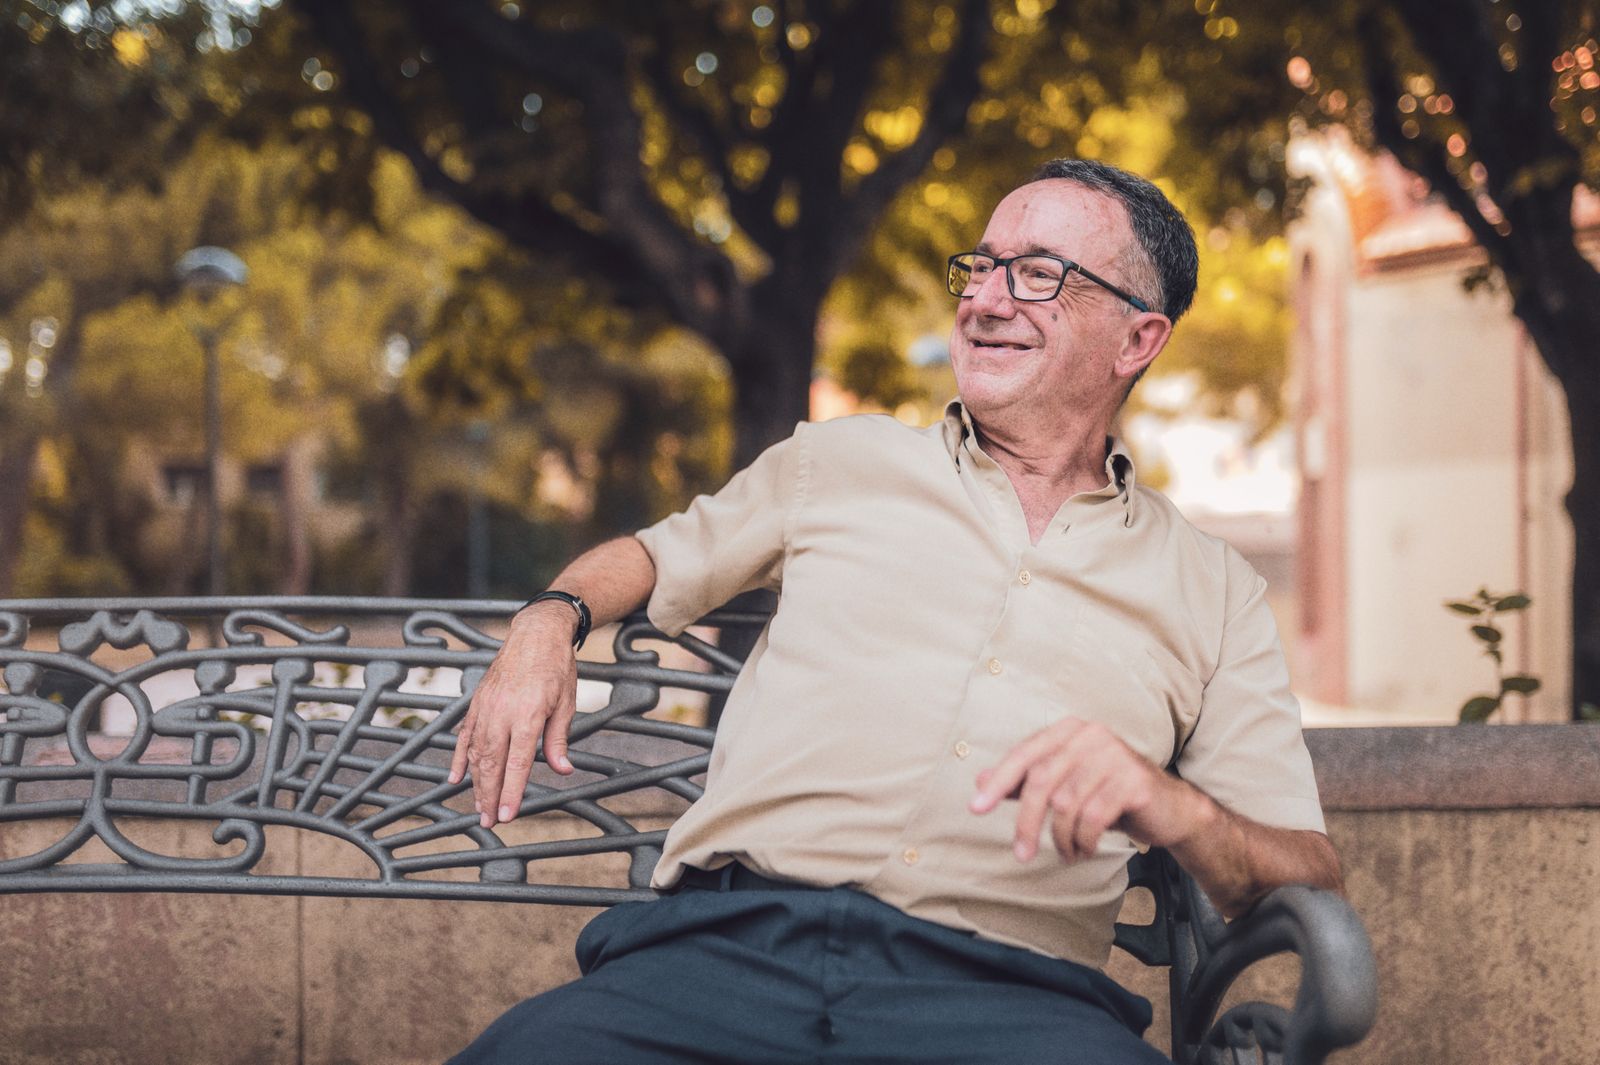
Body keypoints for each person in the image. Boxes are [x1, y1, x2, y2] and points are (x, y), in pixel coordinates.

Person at [445, 158, 1342, 1065]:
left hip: (1013, 1002)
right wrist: (547, 619)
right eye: (982, 266)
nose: (987, 300)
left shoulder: (1213, 588)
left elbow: (1308, 867)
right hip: (724, 958)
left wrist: (1169, 806)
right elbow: (650, 556)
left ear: (1136, 340)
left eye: (1038, 275)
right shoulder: (838, 463)